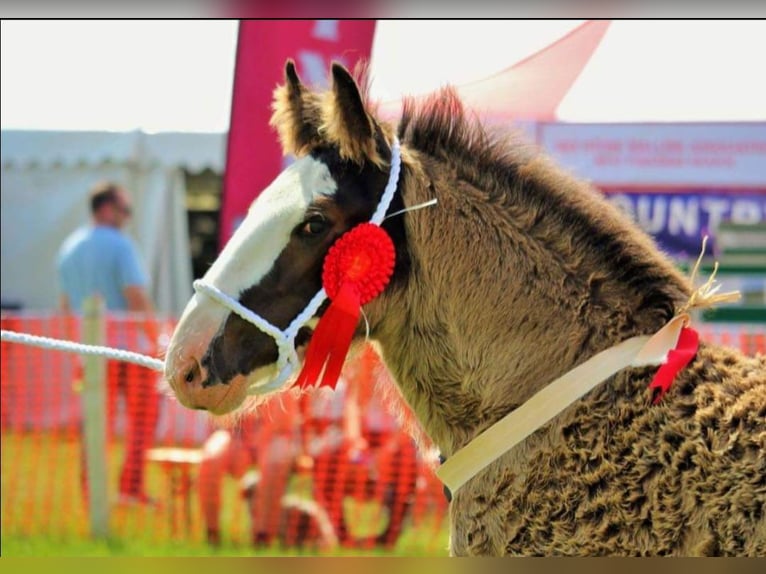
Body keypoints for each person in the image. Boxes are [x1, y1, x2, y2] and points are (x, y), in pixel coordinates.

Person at [57, 181, 162, 506]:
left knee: (94, 422)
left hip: (90, 351)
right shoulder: (121, 245)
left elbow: (64, 306)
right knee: (143, 421)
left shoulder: (68, 248)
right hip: (130, 351)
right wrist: (158, 338)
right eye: (124, 210)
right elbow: (136, 296)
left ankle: (93, 493)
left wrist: (76, 352)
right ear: (106, 209)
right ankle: (130, 488)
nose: (127, 217)